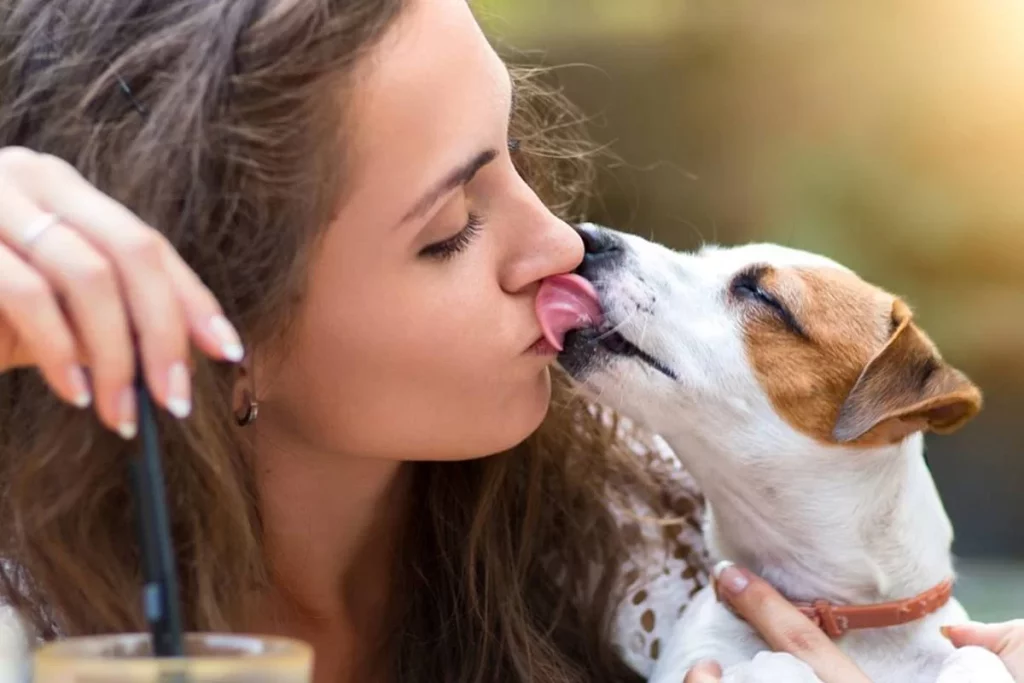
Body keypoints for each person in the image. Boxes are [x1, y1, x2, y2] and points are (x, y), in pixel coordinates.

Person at [0, 1, 1019, 682]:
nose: (563, 241)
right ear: (215, 326)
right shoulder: (30, 611)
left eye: (517, 155)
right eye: (449, 229)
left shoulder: (649, 512)